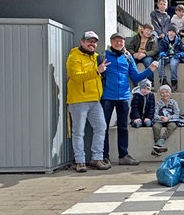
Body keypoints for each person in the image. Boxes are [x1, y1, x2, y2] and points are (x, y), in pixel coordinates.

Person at [100, 32, 157, 167]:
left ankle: (123, 155)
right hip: (107, 96)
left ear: (124, 43)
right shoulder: (103, 55)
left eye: (121, 41)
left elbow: (136, 77)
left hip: (124, 97)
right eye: (116, 41)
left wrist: (150, 70)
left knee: (123, 127)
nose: (119, 43)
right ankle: (104, 156)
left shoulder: (127, 57)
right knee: (104, 128)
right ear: (111, 41)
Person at [66, 31, 111, 172]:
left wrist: (126, 52)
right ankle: (80, 161)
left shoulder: (97, 57)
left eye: (94, 41)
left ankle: (96, 158)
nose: (92, 44)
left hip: (94, 100)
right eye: (89, 41)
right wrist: (97, 71)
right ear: (82, 42)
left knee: (101, 127)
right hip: (78, 100)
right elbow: (76, 77)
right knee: (78, 132)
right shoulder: (74, 57)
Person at [152, 84, 181, 155]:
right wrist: (161, 118)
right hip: (160, 120)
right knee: (156, 127)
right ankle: (158, 147)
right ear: (160, 94)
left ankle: (160, 143)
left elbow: (177, 114)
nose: (165, 94)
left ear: (170, 93)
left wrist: (168, 118)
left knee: (172, 126)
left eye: (167, 92)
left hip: (171, 120)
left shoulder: (174, 102)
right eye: (162, 92)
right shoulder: (158, 103)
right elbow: (155, 115)